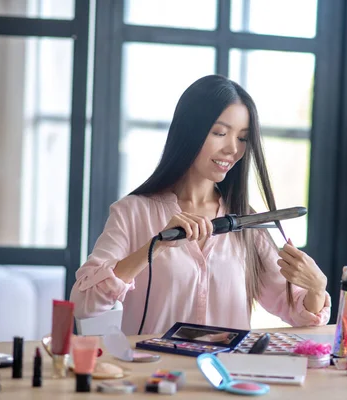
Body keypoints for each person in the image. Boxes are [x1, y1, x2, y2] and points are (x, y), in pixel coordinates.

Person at [70, 74, 332, 335]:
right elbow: (84, 305)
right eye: (220, 133)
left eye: (242, 138)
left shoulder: (246, 222)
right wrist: (156, 245)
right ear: (189, 132)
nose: (233, 149)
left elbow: (299, 314)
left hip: (226, 374)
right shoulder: (132, 213)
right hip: (153, 374)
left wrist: (317, 288)